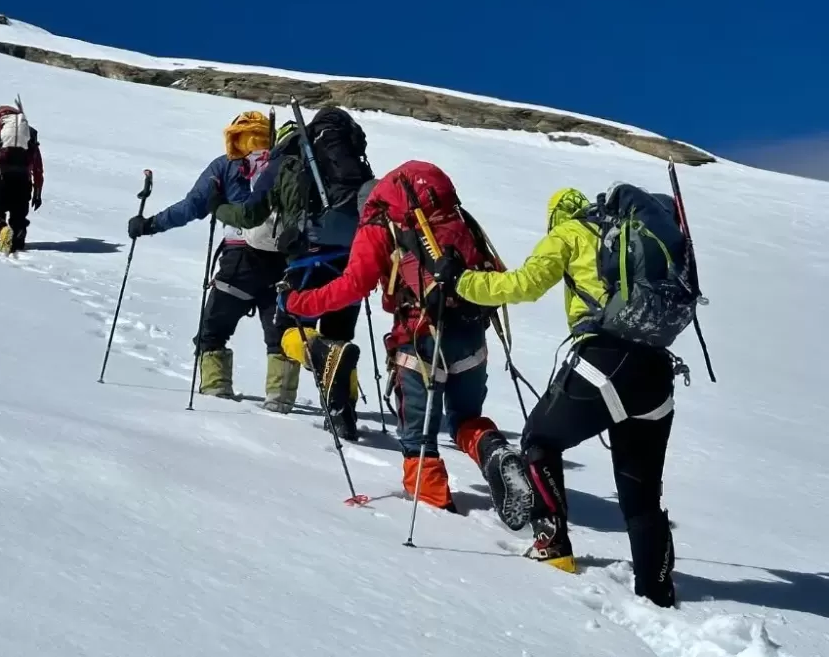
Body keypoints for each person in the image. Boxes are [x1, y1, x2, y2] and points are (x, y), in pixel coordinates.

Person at [445, 187, 678, 607]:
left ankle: (552, 545)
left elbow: (523, 285)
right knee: (641, 494)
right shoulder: (629, 236)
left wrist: (460, 281)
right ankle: (658, 591)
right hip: (657, 374)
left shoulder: (568, 233)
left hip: (604, 361)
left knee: (539, 439)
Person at [277, 160, 533, 530]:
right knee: (465, 418)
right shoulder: (451, 214)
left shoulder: (378, 224)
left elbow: (353, 286)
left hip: (420, 336)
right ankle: (494, 450)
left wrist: (297, 302)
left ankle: (436, 515)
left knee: (418, 435)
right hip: (471, 332)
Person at [212, 106, 375, 441]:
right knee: (341, 337)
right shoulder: (358, 164)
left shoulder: (287, 159)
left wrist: (219, 207)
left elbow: (251, 215)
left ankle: (318, 353)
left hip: (307, 261)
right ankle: (343, 412)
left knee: (289, 331)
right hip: (350, 264)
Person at [127, 111, 301, 412]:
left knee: (213, 331)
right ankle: (281, 399)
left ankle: (216, 393)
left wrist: (150, 224)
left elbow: (192, 206)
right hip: (284, 262)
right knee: (280, 334)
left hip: (239, 262)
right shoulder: (288, 166)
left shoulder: (225, 166)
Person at [0, 102, 43, 254]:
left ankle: (2, 230)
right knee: (19, 218)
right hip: (23, 181)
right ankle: (18, 239)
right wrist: (37, 193)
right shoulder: (29, 136)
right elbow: (38, 168)